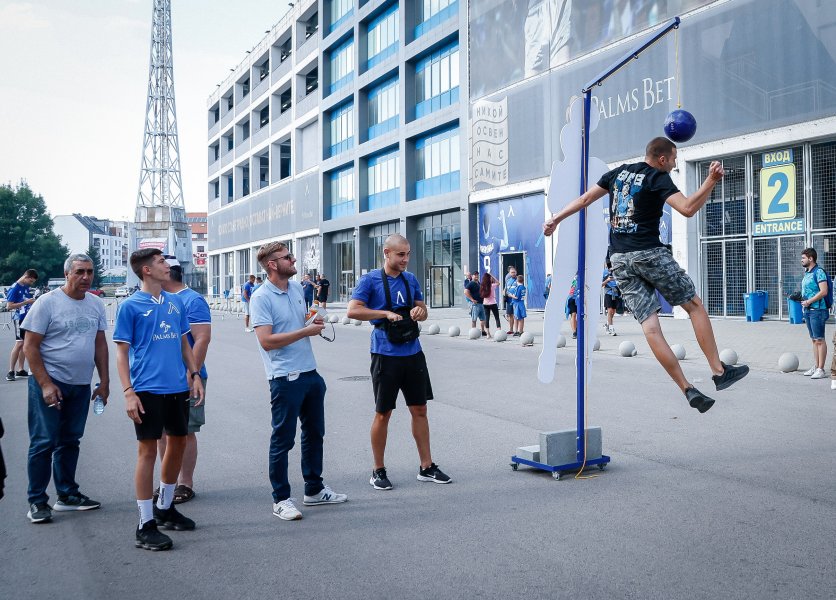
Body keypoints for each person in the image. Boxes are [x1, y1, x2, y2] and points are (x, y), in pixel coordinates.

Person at [544, 136, 749, 413]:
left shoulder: (617, 174)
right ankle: (719, 370)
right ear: (662, 158)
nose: (675, 164)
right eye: (674, 160)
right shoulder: (657, 177)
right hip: (649, 253)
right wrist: (710, 180)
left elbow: (584, 199)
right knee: (694, 305)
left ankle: (687, 388)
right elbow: (687, 208)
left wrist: (556, 218)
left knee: (651, 327)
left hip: (618, 259)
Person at [114, 248, 205, 551]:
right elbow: (122, 354)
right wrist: (128, 392)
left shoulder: (175, 302)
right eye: (161, 262)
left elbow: (183, 343)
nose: (168, 266)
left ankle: (165, 508)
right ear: (146, 271)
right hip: (147, 390)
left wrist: (194, 375)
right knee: (148, 452)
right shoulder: (130, 306)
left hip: (177, 388)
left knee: (178, 441)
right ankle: (145, 523)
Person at [250, 242, 347, 521]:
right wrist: (305, 332)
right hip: (284, 377)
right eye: (288, 257)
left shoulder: (294, 289)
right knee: (283, 440)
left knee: (315, 434)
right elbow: (266, 341)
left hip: (309, 373)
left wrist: (313, 320)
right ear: (272, 265)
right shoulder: (260, 298)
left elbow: (296, 324)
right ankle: (280, 499)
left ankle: (314, 490)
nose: (294, 261)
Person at [347, 234, 451, 490]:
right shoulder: (370, 280)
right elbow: (353, 310)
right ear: (387, 253)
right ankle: (378, 470)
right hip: (385, 354)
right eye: (400, 254)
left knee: (420, 409)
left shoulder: (410, 279)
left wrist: (420, 311)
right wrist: (384, 313)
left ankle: (426, 466)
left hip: (413, 352)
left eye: (408, 254)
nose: (405, 259)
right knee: (384, 413)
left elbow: (422, 310)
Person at [21, 255, 108, 524]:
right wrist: (46, 384)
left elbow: (100, 345)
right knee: (44, 441)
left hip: (80, 385)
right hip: (50, 383)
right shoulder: (47, 303)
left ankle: (67, 495)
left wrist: (104, 381)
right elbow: (30, 346)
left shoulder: (95, 304)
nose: (86, 277)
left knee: (70, 441)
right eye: (80, 272)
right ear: (67, 273)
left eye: (90, 272)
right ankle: (37, 501)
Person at [155, 256, 212, 505]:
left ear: (168, 273)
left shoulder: (192, 300)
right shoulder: (155, 300)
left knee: (186, 431)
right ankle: (168, 482)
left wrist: (193, 372)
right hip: (159, 378)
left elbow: (201, 339)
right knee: (162, 433)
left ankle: (185, 483)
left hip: (187, 376)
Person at [799, 248, 829, 380]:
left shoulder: (819, 272)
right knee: (814, 340)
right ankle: (816, 366)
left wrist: (809, 301)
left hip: (818, 310)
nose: (801, 260)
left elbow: (824, 291)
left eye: (804, 258)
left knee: (820, 340)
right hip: (808, 310)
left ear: (811, 258)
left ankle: (821, 369)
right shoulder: (807, 273)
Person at [6, 268, 38, 381]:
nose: (31, 284)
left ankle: (20, 369)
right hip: (19, 318)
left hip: (26, 318)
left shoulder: (25, 287)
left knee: (25, 344)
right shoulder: (15, 287)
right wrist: (27, 302)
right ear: (26, 277)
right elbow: (9, 306)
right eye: (31, 281)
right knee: (19, 343)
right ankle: (11, 371)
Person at [464, 272, 489, 337]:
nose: (476, 277)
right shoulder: (471, 283)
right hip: (475, 304)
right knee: (474, 319)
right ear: (472, 276)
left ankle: (483, 331)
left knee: (483, 318)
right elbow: (465, 291)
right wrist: (472, 299)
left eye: (477, 275)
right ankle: (473, 331)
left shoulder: (478, 283)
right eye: (475, 275)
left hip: (481, 303)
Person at [602, 260, 621, 336]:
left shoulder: (617, 271)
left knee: (613, 311)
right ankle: (611, 328)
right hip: (608, 293)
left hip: (616, 293)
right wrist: (608, 280)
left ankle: (607, 324)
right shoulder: (604, 272)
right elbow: (601, 284)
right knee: (610, 310)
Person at [504, 266, 518, 334]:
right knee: (510, 315)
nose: (513, 274)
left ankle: (517, 330)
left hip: (516, 300)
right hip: (509, 300)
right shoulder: (508, 281)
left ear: (516, 272)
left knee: (516, 315)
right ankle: (511, 329)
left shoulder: (518, 280)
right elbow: (506, 290)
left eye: (514, 272)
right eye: (512, 272)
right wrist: (505, 294)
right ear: (509, 273)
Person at [566, 274, 579, 339]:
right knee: (573, 314)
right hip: (571, 297)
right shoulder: (569, 275)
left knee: (580, 315)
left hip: (579, 298)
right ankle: (574, 332)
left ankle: (578, 329)